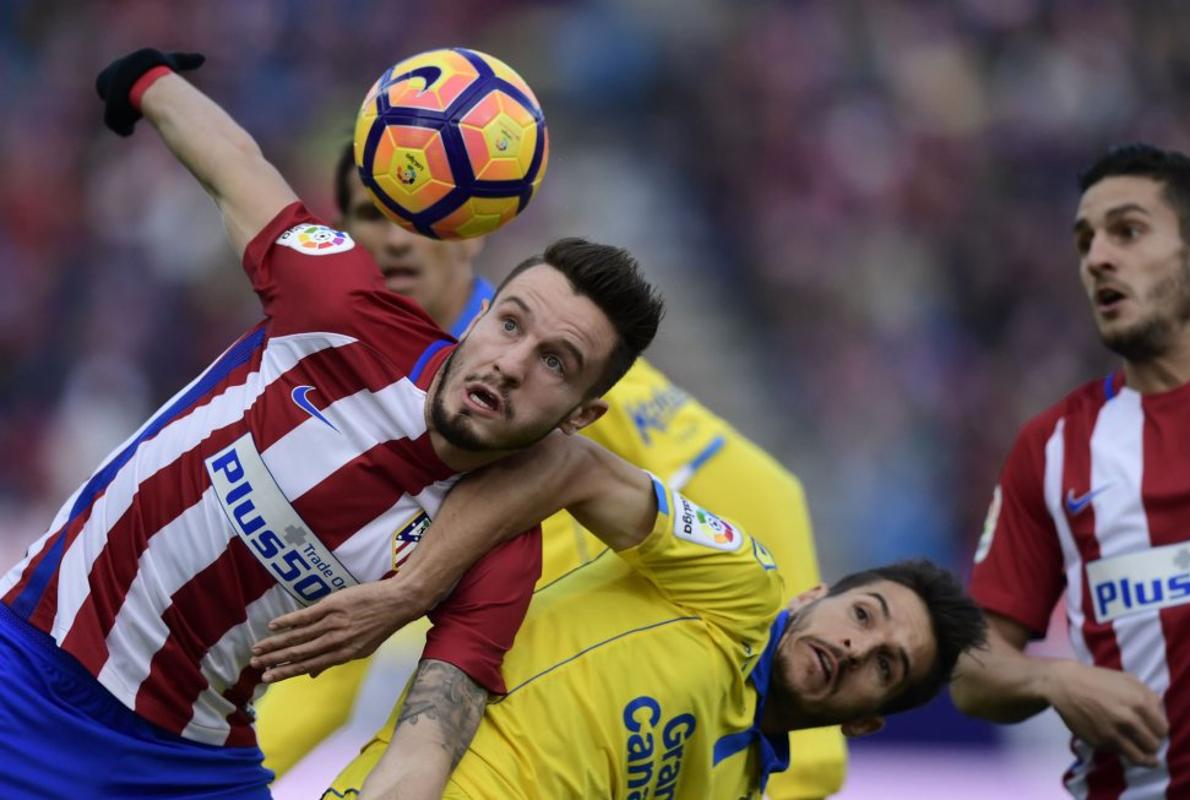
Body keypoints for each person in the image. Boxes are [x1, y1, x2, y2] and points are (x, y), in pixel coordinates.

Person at [0, 49, 662, 798]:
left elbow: (427, 743)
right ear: (478, 316)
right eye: (510, 324)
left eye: (555, 363)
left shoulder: (498, 546)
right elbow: (237, 170)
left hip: (185, 769)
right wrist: (147, 81)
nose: (511, 363)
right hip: (29, 672)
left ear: (581, 415)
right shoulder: (342, 311)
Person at [252, 144, 848, 799]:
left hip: (569, 711)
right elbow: (340, 637)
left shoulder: (567, 358)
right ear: (343, 233)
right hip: (453, 713)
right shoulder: (358, 380)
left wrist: (806, 766)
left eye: (421, 215)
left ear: (470, 230)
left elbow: (760, 489)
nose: (397, 239)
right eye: (374, 214)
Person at [318, 435, 987, 799]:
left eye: (885, 666)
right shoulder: (740, 583)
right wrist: (414, 590)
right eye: (863, 615)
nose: (854, 647)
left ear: (864, 723)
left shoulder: (735, 789)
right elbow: (572, 464)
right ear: (811, 596)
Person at [951, 143, 1190, 799]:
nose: (1097, 258)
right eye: (1085, 242)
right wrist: (1053, 679)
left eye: (1128, 231)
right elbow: (973, 668)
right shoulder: (1054, 447)